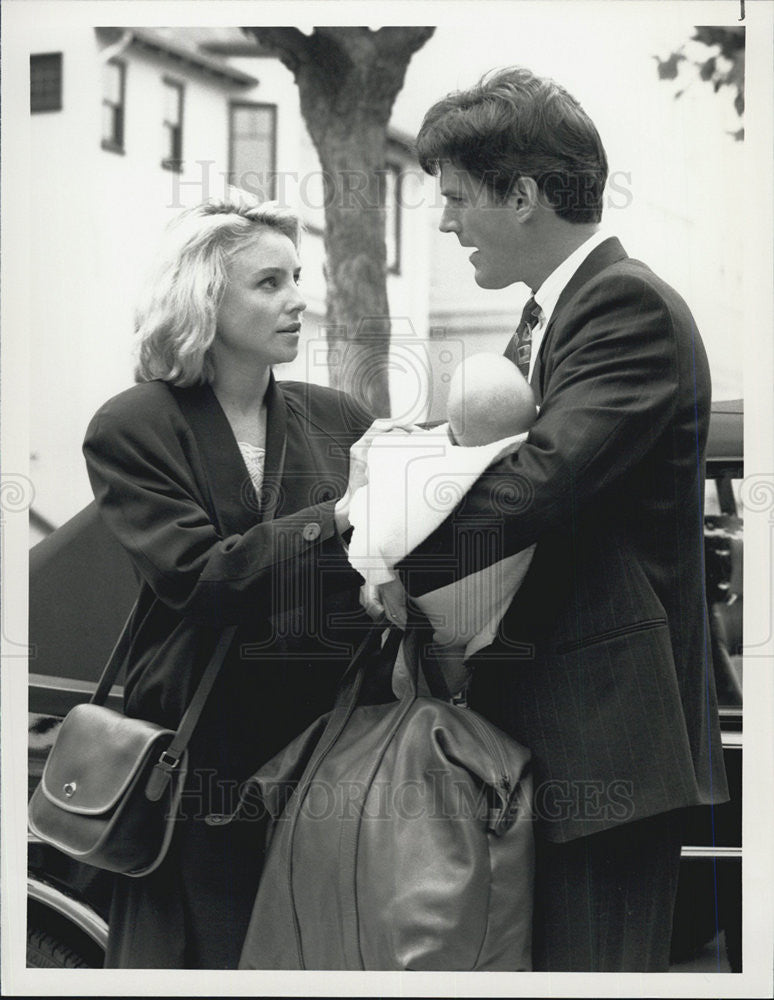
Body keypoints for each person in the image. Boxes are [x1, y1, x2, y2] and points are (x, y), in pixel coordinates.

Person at [365, 66, 729, 971]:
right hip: (560, 739)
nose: (446, 223)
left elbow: (538, 482)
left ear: (522, 195)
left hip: (607, 744)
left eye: (456, 198)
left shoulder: (622, 305)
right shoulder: (550, 317)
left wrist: (377, 560)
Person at [82, 192, 377, 968]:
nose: (297, 300)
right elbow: (203, 579)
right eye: (269, 283)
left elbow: (391, 554)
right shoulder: (134, 426)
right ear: (205, 300)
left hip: (328, 753)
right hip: (202, 760)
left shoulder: (339, 419)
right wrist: (335, 518)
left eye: (297, 277)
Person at [350, 352, 538, 696]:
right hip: (491, 613)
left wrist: (383, 580)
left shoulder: (420, 462)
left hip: (429, 612)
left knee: (428, 667)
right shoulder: (530, 456)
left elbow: (368, 526)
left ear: (453, 429)